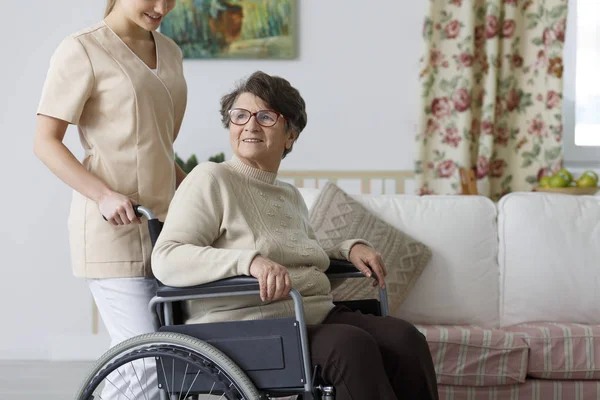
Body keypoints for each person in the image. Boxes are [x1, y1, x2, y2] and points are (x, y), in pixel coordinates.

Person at [151, 71, 439, 400]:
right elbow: (167, 258)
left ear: (290, 135)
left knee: (405, 338)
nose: (250, 125)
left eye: (266, 116)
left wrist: (347, 250)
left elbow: (301, 258)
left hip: (309, 316)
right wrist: (250, 262)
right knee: (350, 346)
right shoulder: (211, 178)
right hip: (245, 325)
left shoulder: (289, 195)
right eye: (240, 115)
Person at [33, 0, 187, 398]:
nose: (162, 6)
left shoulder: (170, 51)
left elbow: (162, 147)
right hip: (112, 229)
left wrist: (199, 198)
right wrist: (102, 195)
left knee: (147, 362)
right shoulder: (82, 48)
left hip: (167, 230)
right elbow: (44, 142)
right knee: (148, 360)